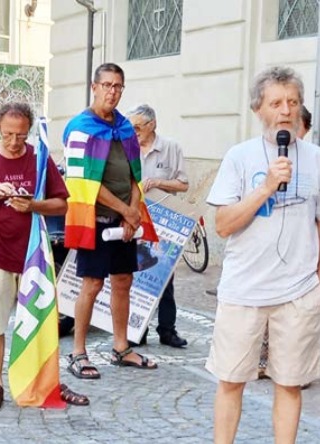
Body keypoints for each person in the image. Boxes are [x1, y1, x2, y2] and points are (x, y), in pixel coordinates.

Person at [205, 66, 320, 443]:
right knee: (231, 381)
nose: (286, 110)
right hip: (243, 292)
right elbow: (223, 225)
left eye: (293, 102)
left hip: (297, 294)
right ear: (258, 110)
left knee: (290, 384)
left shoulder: (319, 159)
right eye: (276, 103)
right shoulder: (239, 157)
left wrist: (318, 286)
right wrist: (267, 186)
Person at [0, 102, 79, 410]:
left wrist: (33, 205)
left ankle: (43, 380)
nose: (14, 142)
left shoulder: (39, 158)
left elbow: (62, 204)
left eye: (21, 136)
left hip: (34, 258)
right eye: (9, 134)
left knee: (40, 322)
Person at [63, 63, 159, 379]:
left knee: (123, 281)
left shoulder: (126, 128)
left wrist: (132, 211)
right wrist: (127, 210)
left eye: (118, 86)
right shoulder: (80, 128)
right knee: (91, 283)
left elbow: (136, 174)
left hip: (125, 220)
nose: (112, 91)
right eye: (107, 85)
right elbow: (83, 182)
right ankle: (78, 352)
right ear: (94, 87)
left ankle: (121, 347)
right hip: (96, 218)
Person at [258, 104, 313, 382]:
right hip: (267, 261)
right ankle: (264, 360)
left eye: (298, 126)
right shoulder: (263, 159)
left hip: (299, 262)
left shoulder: (315, 161)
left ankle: (293, 370)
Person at [127, 104, 188, 348]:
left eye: (138, 126)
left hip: (163, 220)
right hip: (134, 218)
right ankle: (136, 329)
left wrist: (158, 182)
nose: (134, 131)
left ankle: (167, 330)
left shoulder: (171, 148)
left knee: (164, 275)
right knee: (133, 274)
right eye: (131, 127)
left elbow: (183, 184)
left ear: (152, 125)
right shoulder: (127, 147)